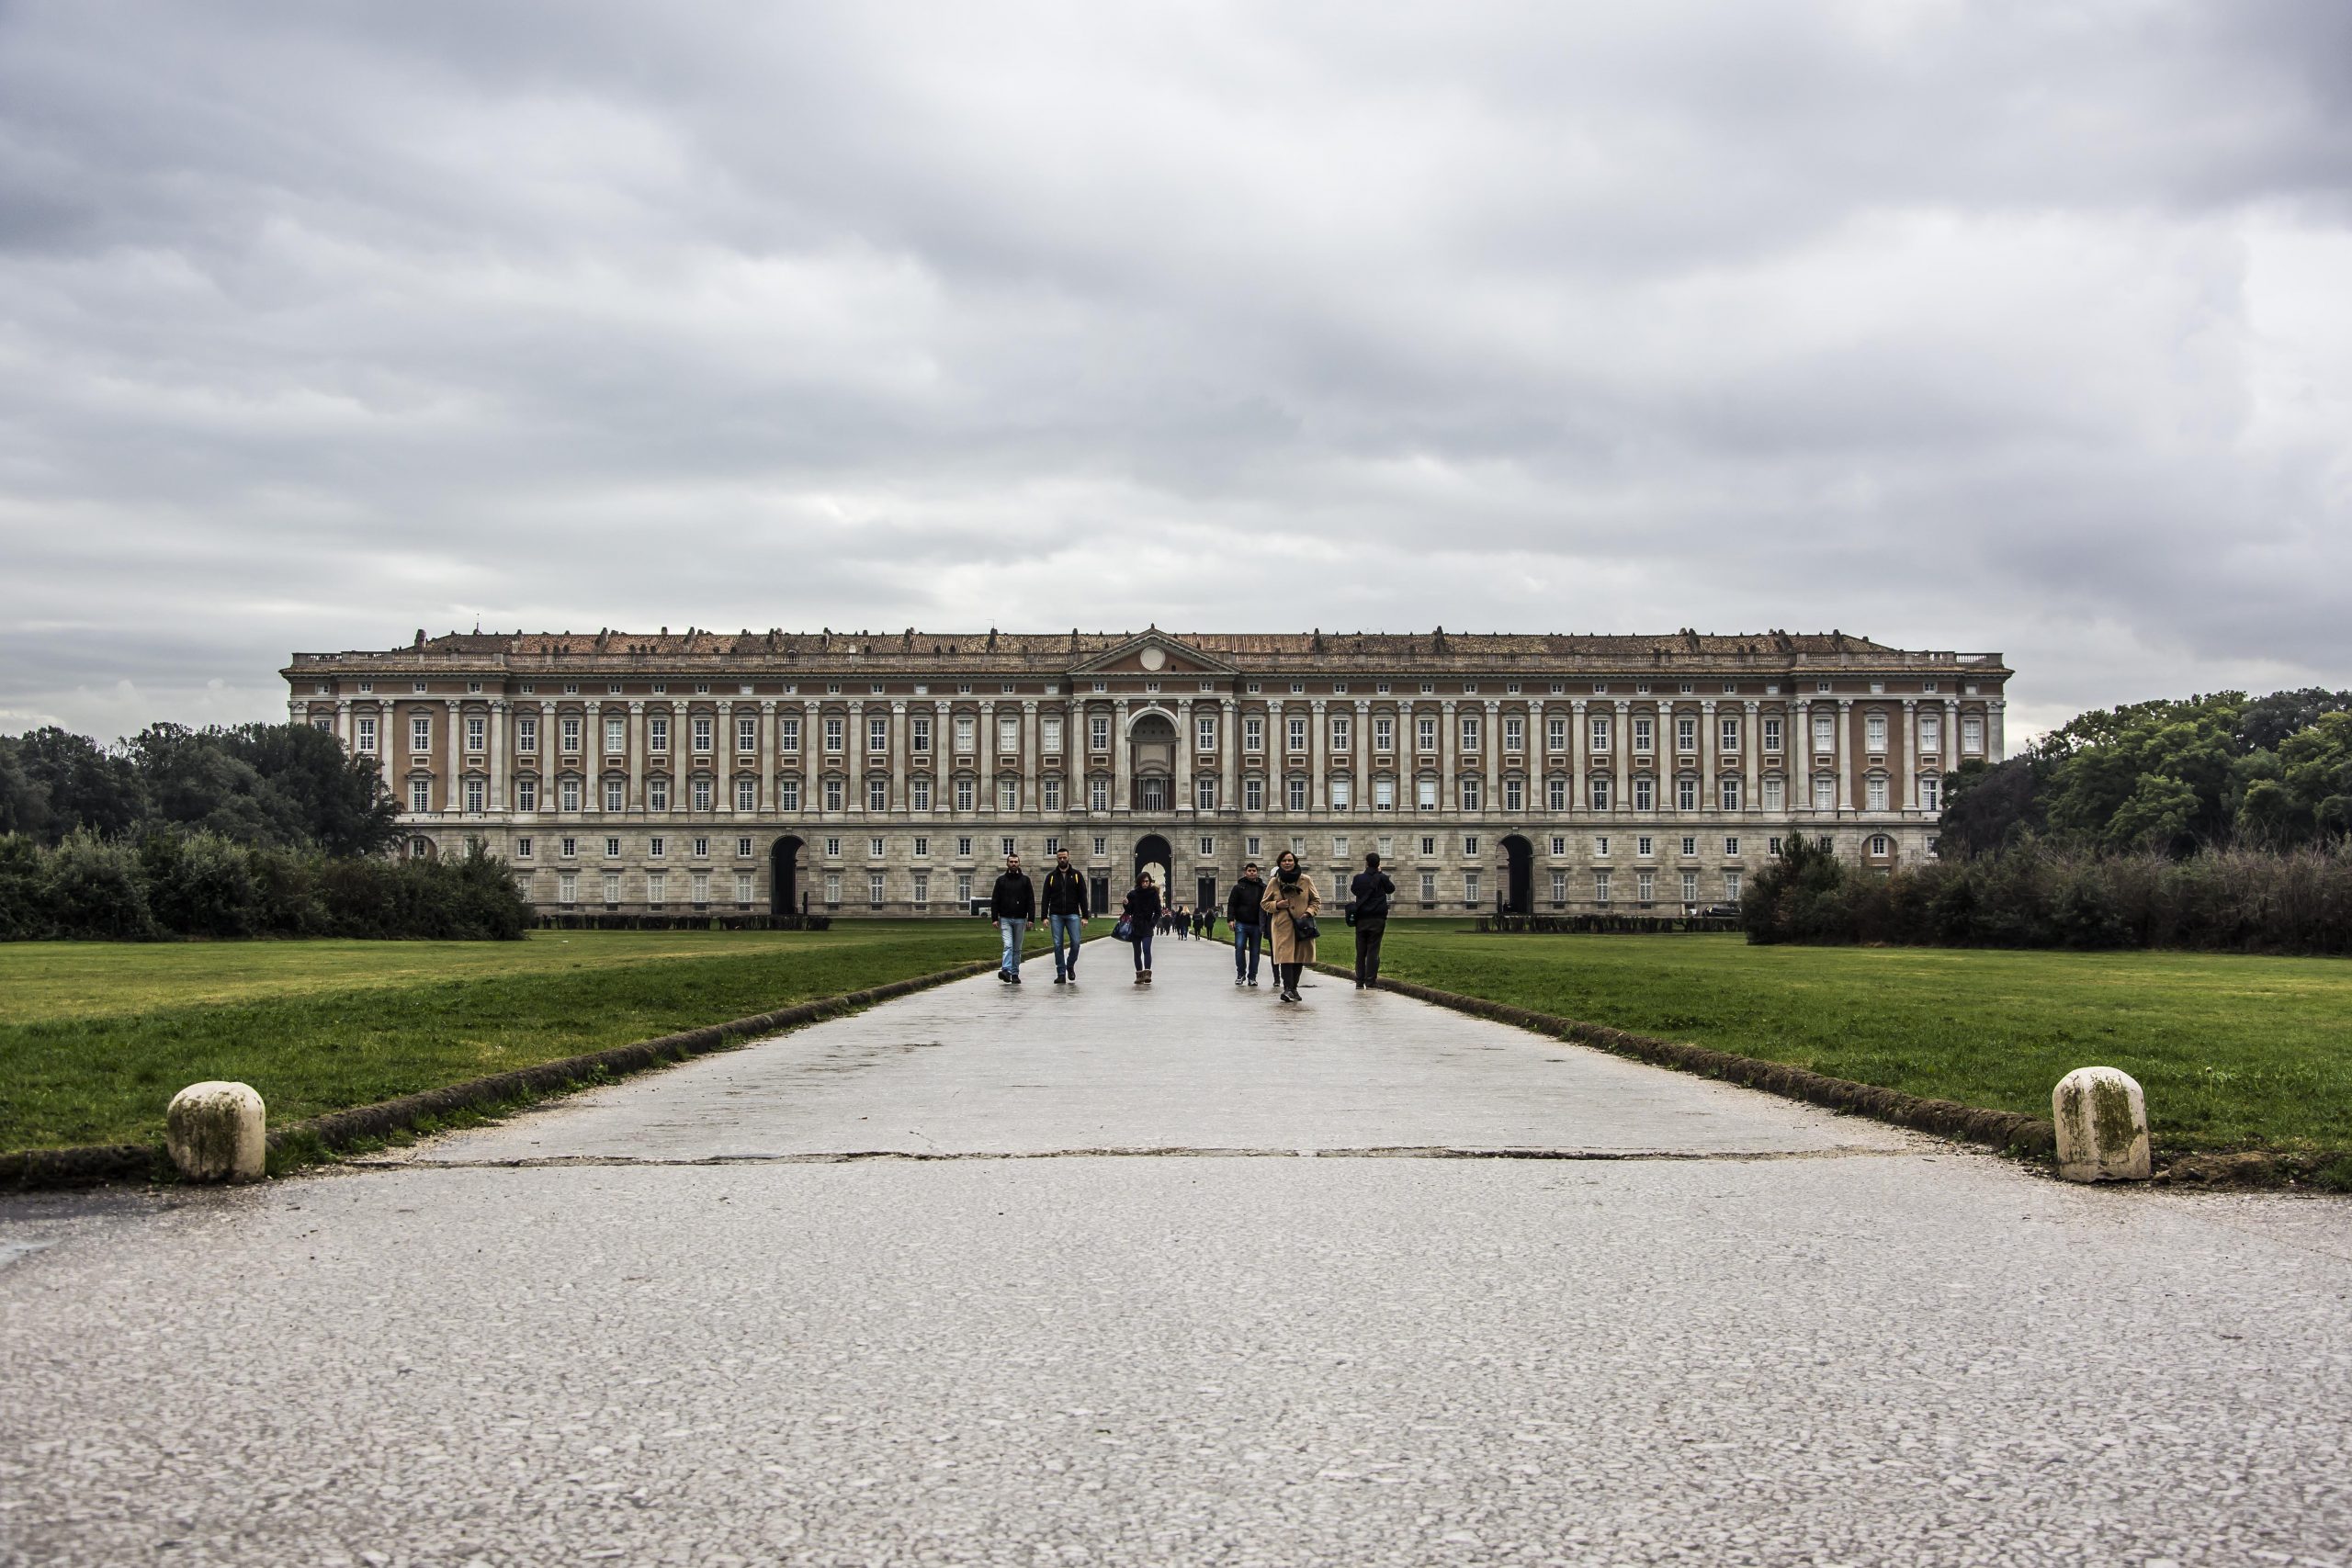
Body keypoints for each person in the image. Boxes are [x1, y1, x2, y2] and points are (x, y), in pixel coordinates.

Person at [1261, 849, 1319, 1004]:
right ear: (1279, 864)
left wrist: (1308, 913)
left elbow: (1316, 901)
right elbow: (1264, 903)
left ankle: (1293, 988)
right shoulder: (1275, 882)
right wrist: (1277, 904)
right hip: (1282, 925)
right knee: (1286, 957)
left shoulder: (1305, 880)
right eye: (1284, 861)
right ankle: (1287, 989)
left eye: (1290, 860)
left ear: (1295, 862)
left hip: (1302, 924)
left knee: (1299, 957)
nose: (1287, 863)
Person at [1040, 847, 1091, 985]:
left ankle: (1070, 965)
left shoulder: (1076, 875)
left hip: (1073, 914)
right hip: (1056, 915)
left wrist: (1085, 916)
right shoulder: (1050, 877)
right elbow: (1045, 898)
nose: (1062, 860)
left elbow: (1083, 897)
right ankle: (1061, 973)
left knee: (1076, 943)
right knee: (1057, 944)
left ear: (1068, 857)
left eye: (1064, 857)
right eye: (1060, 858)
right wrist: (1044, 916)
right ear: (1057, 859)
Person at [1347, 850, 1396, 989]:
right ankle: (1370, 982)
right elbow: (1391, 889)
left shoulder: (1358, 878)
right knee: (1373, 951)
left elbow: (1354, 891)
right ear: (1378, 864)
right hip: (1377, 919)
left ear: (1366, 863)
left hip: (1361, 918)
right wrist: (1380, 874)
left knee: (1360, 951)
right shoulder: (1382, 877)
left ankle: (1359, 982)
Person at [989, 851, 1035, 984]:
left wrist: (1031, 918)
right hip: (1005, 918)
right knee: (1008, 945)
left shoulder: (1025, 880)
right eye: (1011, 862)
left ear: (1019, 863)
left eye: (1016, 862)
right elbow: (995, 900)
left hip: (1021, 918)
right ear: (1007, 863)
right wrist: (994, 918)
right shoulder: (1001, 881)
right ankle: (1005, 970)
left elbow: (1030, 900)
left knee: (1017, 948)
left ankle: (1014, 973)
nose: (1013, 864)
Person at [1227, 862, 1265, 987]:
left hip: (1256, 925)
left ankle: (1252, 977)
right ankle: (1240, 974)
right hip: (1241, 923)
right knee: (1239, 948)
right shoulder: (1238, 887)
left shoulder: (1262, 888)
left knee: (1255, 952)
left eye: (1254, 870)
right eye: (1250, 870)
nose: (1252, 872)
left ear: (1257, 872)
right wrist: (1230, 919)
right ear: (1245, 872)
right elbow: (1231, 903)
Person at [1122, 871, 1162, 984]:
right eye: (1143, 881)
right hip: (1135, 925)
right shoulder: (1133, 894)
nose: (1145, 883)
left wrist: (1153, 923)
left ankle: (1147, 974)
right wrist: (1125, 904)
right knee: (1137, 952)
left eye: (1147, 881)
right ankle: (1139, 975)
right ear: (1139, 882)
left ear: (1149, 882)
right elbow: (1129, 911)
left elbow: (1158, 912)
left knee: (1146, 949)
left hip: (1147, 926)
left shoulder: (1154, 894)